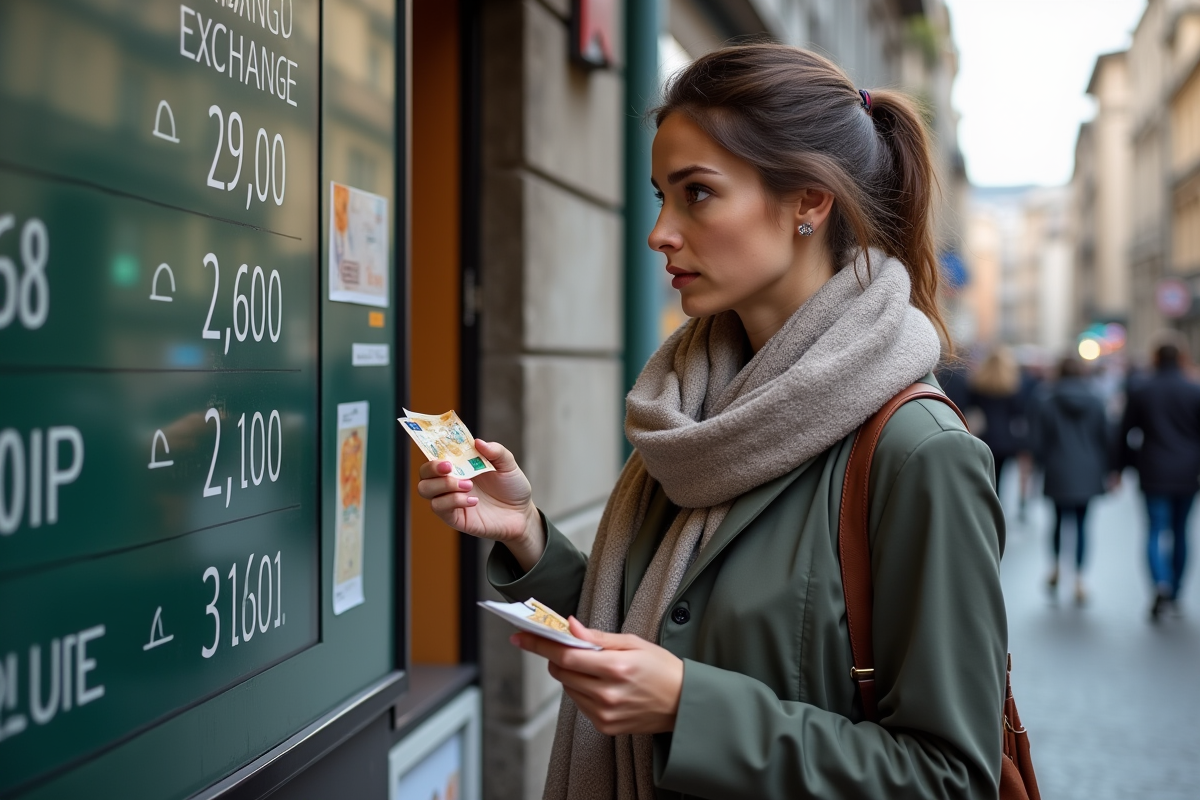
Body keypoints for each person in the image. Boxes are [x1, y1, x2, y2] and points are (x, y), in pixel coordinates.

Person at [419, 45, 1007, 799]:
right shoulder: (693, 416)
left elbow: (951, 777)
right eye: (662, 195)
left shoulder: (917, 453)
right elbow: (656, 629)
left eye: (696, 194)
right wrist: (527, 532)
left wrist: (688, 707)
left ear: (807, 201)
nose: (661, 232)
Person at [1120, 341, 1200, 620]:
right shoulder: (1194, 389)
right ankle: (1175, 591)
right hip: (1189, 472)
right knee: (1181, 531)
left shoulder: (1142, 389)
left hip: (1153, 470)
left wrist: (1123, 466)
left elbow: (1124, 431)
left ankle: (1160, 585)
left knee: (1155, 529)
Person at [1032, 357, 1113, 605]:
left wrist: (1039, 464)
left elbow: (1038, 438)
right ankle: (1079, 577)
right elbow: (1106, 437)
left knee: (1057, 521)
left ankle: (1055, 566)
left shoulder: (1047, 400)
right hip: (1088, 469)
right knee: (1082, 524)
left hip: (1058, 467)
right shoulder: (1097, 399)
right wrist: (1109, 469)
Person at [967, 346, 1029, 495]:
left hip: (983, 436)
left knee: (984, 477)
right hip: (1005, 440)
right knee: (1000, 478)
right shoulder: (1012, 386)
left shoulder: (978, 384)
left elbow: (971, 408)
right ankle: (997, 507)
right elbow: (1018, 413)